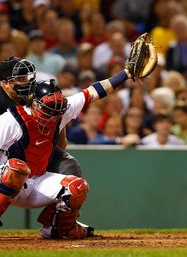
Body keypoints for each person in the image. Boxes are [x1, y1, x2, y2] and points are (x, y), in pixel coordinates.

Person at [0, 40, 151, 239]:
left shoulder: (63, 108)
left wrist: (127, 74)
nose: (52, 116)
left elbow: (95, 91)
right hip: (6, 177)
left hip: (36, 179)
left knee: (77, 185)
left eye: (57, 111)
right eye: (47, 110)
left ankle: (57, 228)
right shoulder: (10, 120)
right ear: (34, 104)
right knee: (15, 168)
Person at [0, 56, 81, 176]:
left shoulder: (37, 92)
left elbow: (59, 132)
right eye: (20, 79)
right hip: (7, 151)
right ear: (5, 83)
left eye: (26, 77)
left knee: (68, 165)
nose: (27, 82)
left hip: (38, 146)